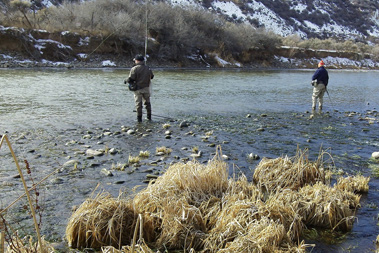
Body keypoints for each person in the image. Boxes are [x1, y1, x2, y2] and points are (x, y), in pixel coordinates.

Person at [126, 54, 154, 122]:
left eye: (135, 60)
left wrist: (126, 80)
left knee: (138, 104)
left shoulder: (134, 68)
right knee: (147, 103)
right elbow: (152, 76)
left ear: (137, 61)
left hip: (138, 89)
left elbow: (131, 79)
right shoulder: (148, 68)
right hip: (146, 88)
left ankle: (139, 119)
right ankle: (149, 117)